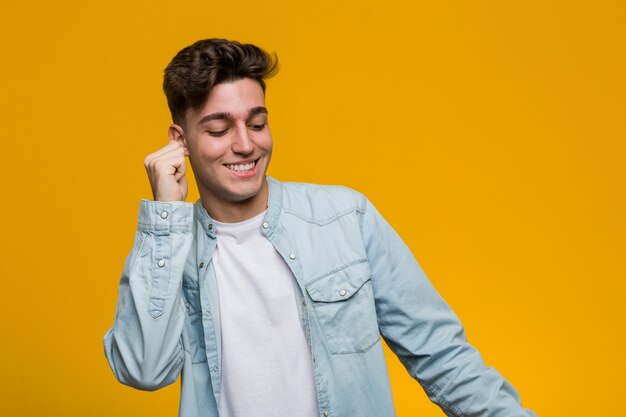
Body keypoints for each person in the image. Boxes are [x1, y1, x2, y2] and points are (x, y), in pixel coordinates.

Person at [104, 38, 536, 417]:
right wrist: (166, 217)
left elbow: (442, 355)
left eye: (257, 123)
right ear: (179, 142)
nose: (246, 144)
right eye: (219, 129)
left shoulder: (346, 217)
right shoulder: (171, 250)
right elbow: (143, 369)